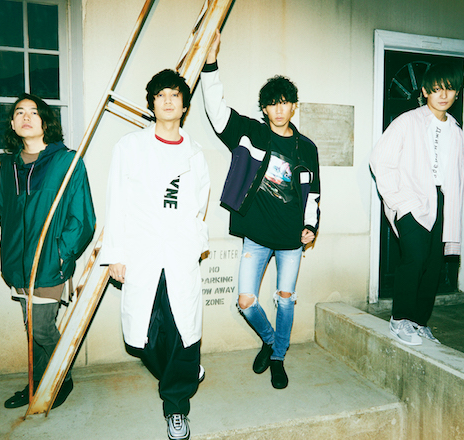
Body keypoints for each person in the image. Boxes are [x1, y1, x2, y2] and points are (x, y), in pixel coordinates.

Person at [201, 31, 321, 390]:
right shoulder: (249, 133)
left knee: (285, 299)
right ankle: (270, 341)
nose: (279, 109)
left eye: (286, 103)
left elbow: (314, 192)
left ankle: (278, 357)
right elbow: (216, 111)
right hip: (256, 234)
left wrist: (311, 226)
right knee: (246, 301)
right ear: (265, 108)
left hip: (291, 238)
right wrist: (210, 63)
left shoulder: (307, 148)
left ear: (294, 106)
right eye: (273, 104)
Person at [101, 69, 210, 440]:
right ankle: (183, 372)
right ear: (152, 103)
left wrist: (195, 244)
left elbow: (199, 206)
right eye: (160, 94)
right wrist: (115, 254)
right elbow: (116, 202)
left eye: (174, 95)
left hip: (179, 255)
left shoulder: (195, 153)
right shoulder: (130, 147)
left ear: (184, 105)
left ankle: (176, 406)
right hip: (142, 253)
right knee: (145, 334)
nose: (167, 101)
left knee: (181, 329)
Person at [0, 93, 96, 409]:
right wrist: (8, 253)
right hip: (17, 263)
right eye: (19, 112)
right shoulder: (8, 165)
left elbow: (83, 218)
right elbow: (5, 213)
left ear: (45, 122)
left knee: (41, 328)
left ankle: (60, 380)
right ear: (12, 123)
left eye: (34, 112)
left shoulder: (67, 161)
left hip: (49, 261)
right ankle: (37, 384)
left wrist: (61, 252)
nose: (26, 117)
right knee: (32, 331)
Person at [369, 63, 464, 345]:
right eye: (436, 89)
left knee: (433, 265)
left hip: (442, 201)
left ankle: (419, 322)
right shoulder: (407, 121)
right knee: (414, 258)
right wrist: (400, 200)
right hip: (411, 198)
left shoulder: (456, 130)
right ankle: (400, 319)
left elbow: (458, 174)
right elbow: (380, 160)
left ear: (457, 92)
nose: (443, 95)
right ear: (424, 91)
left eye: (449, 88)